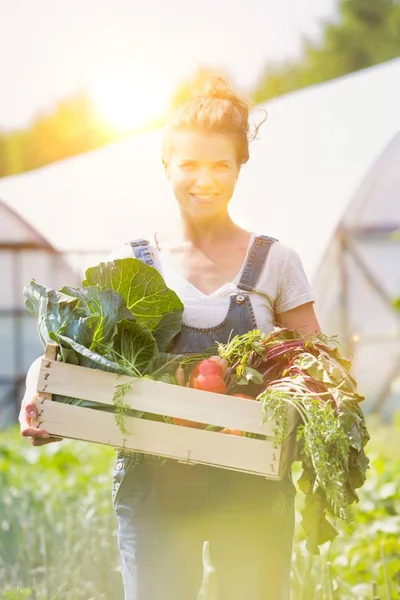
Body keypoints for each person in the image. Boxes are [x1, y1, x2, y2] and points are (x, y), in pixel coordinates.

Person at [20, 71, 321, 600]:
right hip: (153, 484)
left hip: (254, 484)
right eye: (188, 164)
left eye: (220, 165)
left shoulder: (278, 261)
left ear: (239, 168)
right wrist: (35, 391)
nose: (204, 178)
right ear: (165, 165)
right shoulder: (133, 264)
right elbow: (75, 351)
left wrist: (305, 404)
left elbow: (318, 369)